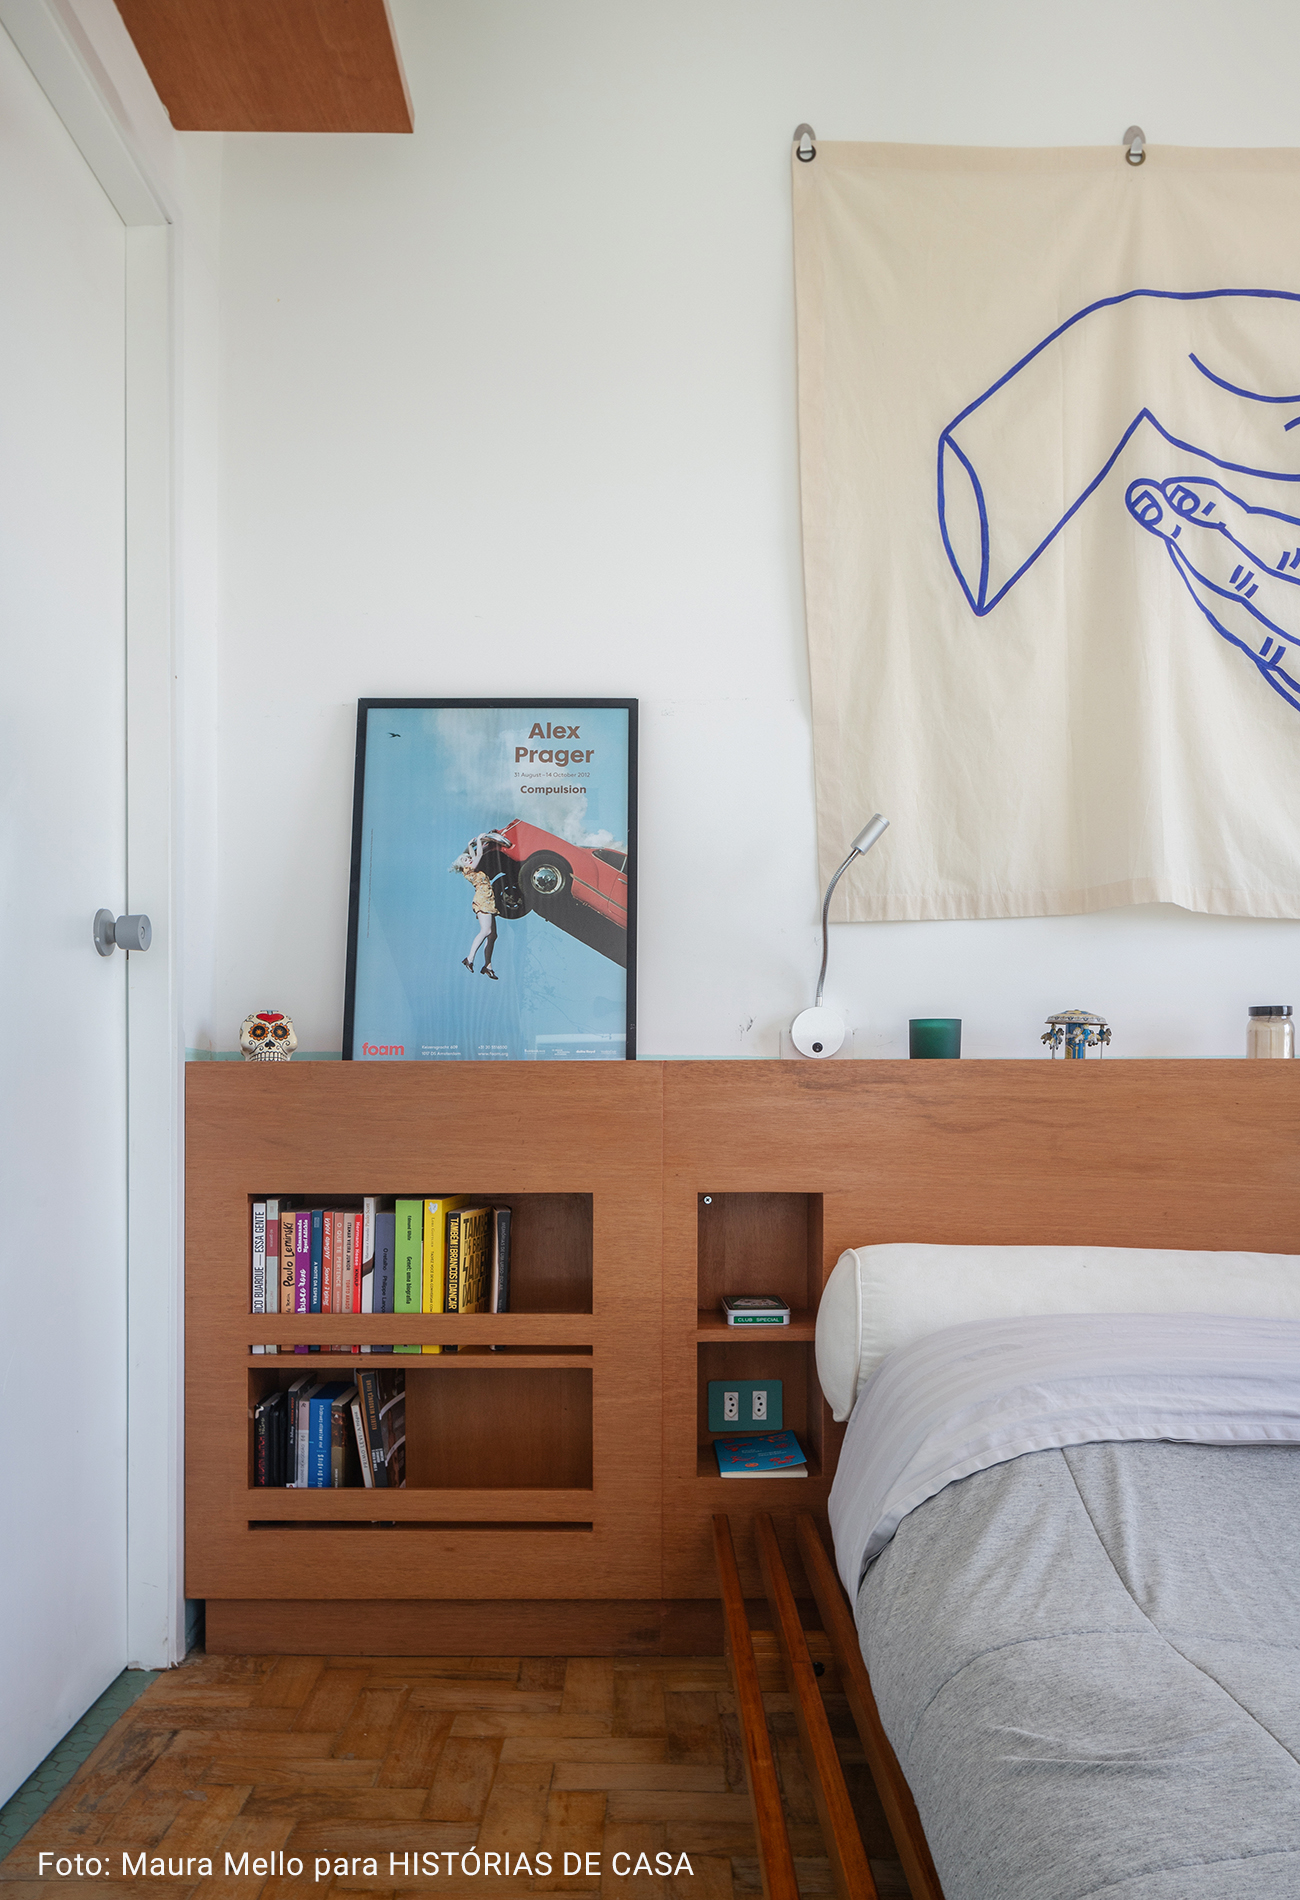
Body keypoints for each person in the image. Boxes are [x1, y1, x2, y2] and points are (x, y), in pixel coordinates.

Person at [451, 832, 510, 979]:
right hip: (482, 900)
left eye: (468, 858)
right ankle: (469, 958)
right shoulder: (468, 869)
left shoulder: (471, 867)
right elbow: (479, 856)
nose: (469, 860)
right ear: (463, 865)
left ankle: (487, 966)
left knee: (493, 935)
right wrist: (478, 840)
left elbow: (473, 856)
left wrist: (470, 845)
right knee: (486, 931)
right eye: (465, 860)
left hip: (488, 899)